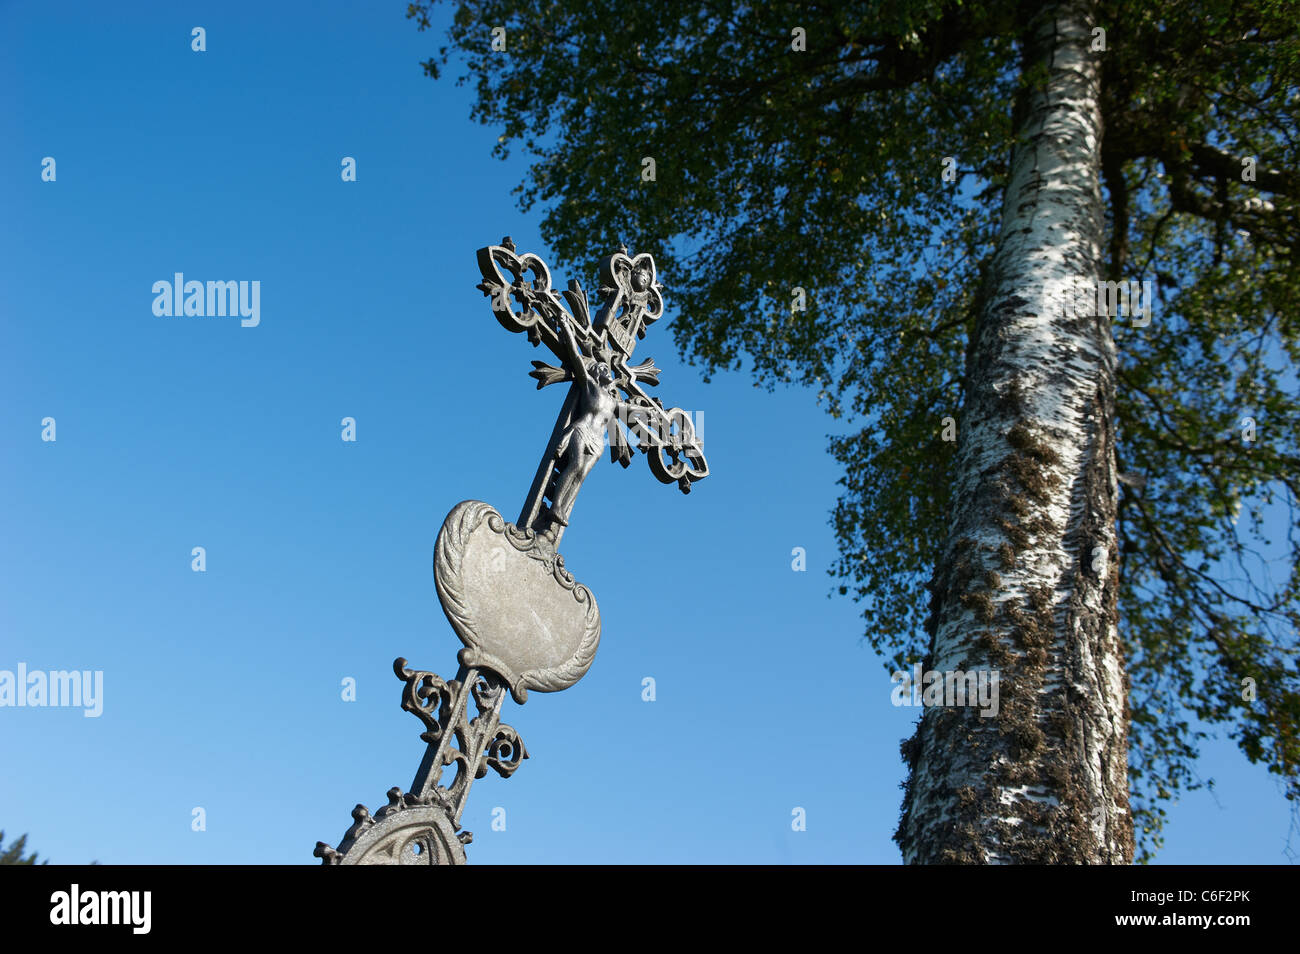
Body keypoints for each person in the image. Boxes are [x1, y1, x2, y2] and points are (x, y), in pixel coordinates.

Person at [548, 321, 620, 530]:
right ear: (596, 371)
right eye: (603, 367)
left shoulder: (614, 402)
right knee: (575, 465)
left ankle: (562, 511)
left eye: (608, 369)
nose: (607, 370)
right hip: (583, 429)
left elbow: (633, 411)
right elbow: (576, 356)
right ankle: (555, 506)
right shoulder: (590, 385)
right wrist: (567, 329)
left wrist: (658, 415)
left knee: (581, 476)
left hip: (598, 441)